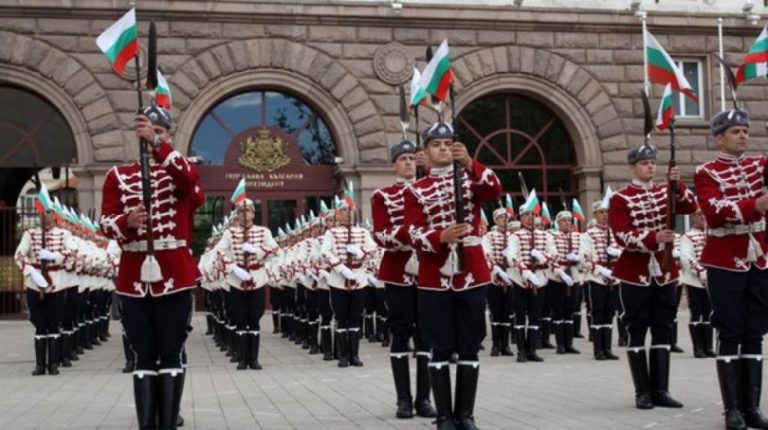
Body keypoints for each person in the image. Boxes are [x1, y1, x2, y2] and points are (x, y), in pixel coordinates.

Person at [100, 105, 203, 429]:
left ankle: (168, 421)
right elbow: (105, 222)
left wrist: (159, 148)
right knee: (143, 353)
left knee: (171, 351)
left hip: (173, 273)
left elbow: (192, 187)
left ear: (167, 134)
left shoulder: (180, 170)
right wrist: (126, 222)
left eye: (159, 132)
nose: (151, 138)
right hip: (133, 276)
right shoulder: (118, 176)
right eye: (147, 132)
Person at [404, 121, 501, 430]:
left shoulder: (469, 179)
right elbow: (413, 232)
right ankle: (444, 416)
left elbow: (494, 188)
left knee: (470, 342)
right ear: (426, 152)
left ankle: (466, 414)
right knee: (439, 344)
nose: (443, 148)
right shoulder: (416, 190)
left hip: (471, 270)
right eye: (436, 144)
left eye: (448, 143)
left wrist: (470, 162)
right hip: (435, 273)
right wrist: (441, 236)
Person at [695, 106, 768, 430]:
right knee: (730, 332)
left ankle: (751, 406)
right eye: (736, 131)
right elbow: (714, 210)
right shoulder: (706, 172)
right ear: (719, 138)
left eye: (746, 131)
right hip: (725, 259)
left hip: (759, 257)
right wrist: (753, 205)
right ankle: (732, 410)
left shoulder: (759, 165)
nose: (743, 136)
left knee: (755, 332)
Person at [608, 142, 696, 410]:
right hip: (636, 272)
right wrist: (653, 237)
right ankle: (642, 391)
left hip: (665, 271)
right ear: (633, 167)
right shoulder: (621, 198)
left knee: (663, 328)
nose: (651, 166)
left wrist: (677, 185)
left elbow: (691, 206)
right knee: (637, 329)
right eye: (645, 163)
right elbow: (622, 236)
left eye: (653, 162)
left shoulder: (664, 192)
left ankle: (661, 390)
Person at [372, 139, 437, 419]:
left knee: (427, 334)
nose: (408, 162)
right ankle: (403, 399)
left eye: (412, 158)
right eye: (403, 159)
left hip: (428, 269)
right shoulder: (382, 195)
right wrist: (406, 236)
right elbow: (380, 233)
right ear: (394, 164)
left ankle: (424, 398)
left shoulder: (432, 191)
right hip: (399, 270)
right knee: (400, 331)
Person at [212, 193, 278, 370]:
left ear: (253, 213)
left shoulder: (263, 232)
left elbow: (275, 250)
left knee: (254, 318)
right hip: (237, 279)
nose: (244, 214)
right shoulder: (230, 232)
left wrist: (256, 250)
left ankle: (253, 359)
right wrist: (234, 268)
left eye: (248, 210)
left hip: (256, 279)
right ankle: (242, 358)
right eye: (241, 211)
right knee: (240, 318)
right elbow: (219, 252)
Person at [15, 204, 77, 376]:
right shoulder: (30, 234)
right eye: (42, 212)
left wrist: (53, 256)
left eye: (48, 212)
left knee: (54, 323)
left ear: (54, 215)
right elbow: (19, 255)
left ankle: (54, 363)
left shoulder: (64, 234)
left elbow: (73, 253)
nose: (45, 215)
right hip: (35, 283)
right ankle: (40, 365)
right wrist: (31, 273)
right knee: (39, 323)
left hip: (56, 283)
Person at [321, 201, 377, 368]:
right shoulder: (332, 233)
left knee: (355, 316)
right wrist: (341, 268)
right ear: (338, 213)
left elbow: (373, 249)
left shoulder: (363, 232)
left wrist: (360, 253)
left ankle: (355, 355)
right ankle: (343, 356)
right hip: (339, 279)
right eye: (344, 210)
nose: (347, 213)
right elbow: (325, 252)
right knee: (341, 317)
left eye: (350, 210)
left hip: (359, 278)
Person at [507, 195, 554, 363]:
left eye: (531, 215)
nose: (529, 218)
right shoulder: (515, 236)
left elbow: (553, 254)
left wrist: (540, 256)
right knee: (520, 315)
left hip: (540, 278)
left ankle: (532, 350)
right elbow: (511, 257)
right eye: (526, 215)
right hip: (521, 279)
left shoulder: (545, 235)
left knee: (535, 315)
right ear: (520, 218)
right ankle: (521, 351)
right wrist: (525, 272)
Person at [580, 199, 621, 361]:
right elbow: (584, 257)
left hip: (614, 277)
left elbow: (624, 252)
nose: (605, 215)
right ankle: (598, 349)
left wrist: (617, 254)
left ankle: (608, 348)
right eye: (601, 212)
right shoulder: (588, 234)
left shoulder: (615, 232)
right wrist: (600, 269)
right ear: (595, 215)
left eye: (607, 212)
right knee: (598, 311)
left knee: (610, 312)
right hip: (597, 278)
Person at [678, 208, 715, 359]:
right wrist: (701, 272)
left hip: (711, 279)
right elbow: (686, 257)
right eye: (699, 214)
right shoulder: (688, 236)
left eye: (704, 214)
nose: (702, 217)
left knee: (708, 313)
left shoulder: (712, 234)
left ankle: (708, 347)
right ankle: (697, 347)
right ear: (692, 217)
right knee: (696, 313)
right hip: (694, 280)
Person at [481, 208, 515, 357]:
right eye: (501, 217)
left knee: (507, 311)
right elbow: (486, 255)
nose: (504, 219)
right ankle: (495, 345)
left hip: (510, 278)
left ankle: (505, 345)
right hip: (495, 278)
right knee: (496, 311)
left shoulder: (513, 236)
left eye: (506, 217)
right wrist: (497, 270)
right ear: (495, 220)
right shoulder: (489, 236)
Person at [548, 211, 581, 354]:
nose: (567, 223)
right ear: (558, 223)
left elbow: (583, 253)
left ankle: (569, 344)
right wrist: (560, 271)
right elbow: (551, 256)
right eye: (564, 221)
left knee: (570, 310)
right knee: (558, 310)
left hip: (573, 276)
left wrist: (577, 258)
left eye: (569, 220)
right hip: (557, 277)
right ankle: (560, 344)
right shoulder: (552, 236)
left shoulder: (577, 237)